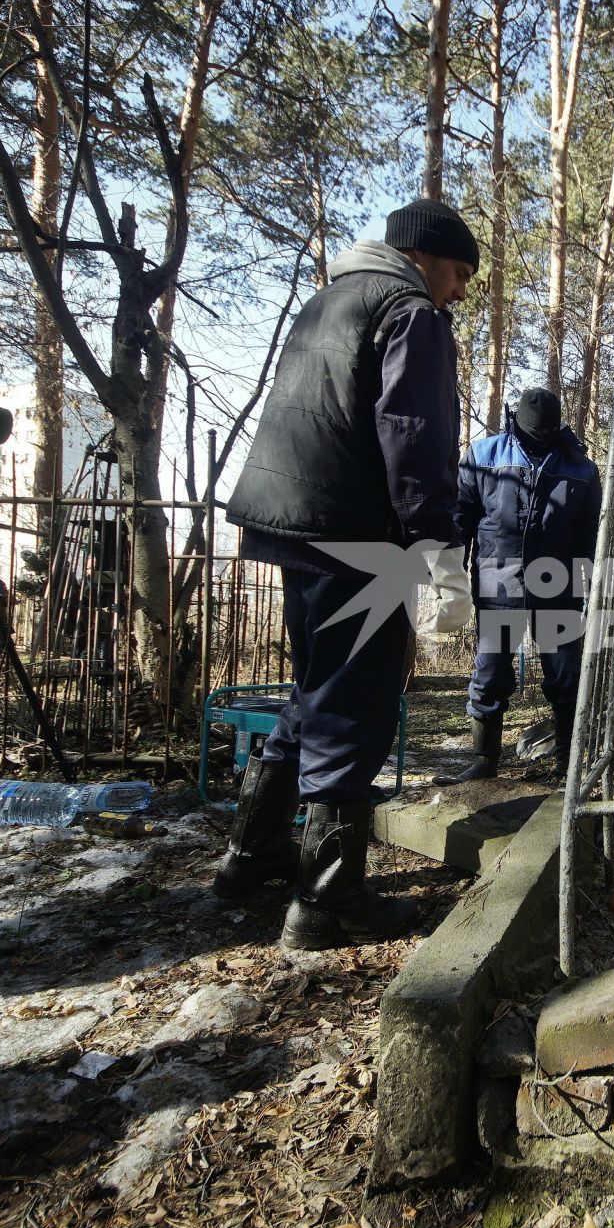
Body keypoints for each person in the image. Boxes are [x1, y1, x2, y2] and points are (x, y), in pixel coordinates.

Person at [217, 198, 478, 950]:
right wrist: (436, 544)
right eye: (459, 273)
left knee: (314, 689)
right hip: (357, 535)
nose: (459, 291)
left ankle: (252, 853)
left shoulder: (327, 301)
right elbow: (413, 433)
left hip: (292, 523)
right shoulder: (408, 311)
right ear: (424, 256)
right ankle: (328, 901)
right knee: (355, 704)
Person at [433, 385, 601, 783]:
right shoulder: (484, 455)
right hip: (498, 580)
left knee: (565, 674)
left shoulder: (580, 468)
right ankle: (484, 759)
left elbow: (589, 535)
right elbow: (462, 516)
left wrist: (592, 585)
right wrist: (448, 572)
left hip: (557, 585)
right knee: (491, 671)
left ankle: (567, 762)